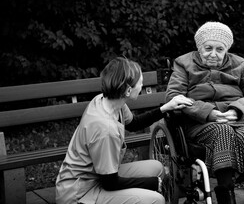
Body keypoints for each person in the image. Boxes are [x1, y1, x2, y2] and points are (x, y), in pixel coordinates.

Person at [166, 22, 244, 204]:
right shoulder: (184, 64)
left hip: (239, 121)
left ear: (227, 49)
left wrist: (237, 110)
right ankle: (226, 194)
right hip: (201, 123)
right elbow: (174, 96)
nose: (213, 54)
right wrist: (209, 112)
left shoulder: (239, 65)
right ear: (199, 47)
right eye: (208, 48)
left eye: (220, 49)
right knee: (222, 131)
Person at [55, 57, 193, 204]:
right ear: (128, 90)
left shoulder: (109, 101)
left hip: (95, 176)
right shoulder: (105, 129)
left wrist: (166, 107)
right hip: (80, 193)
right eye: (140, 82)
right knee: (156, 200)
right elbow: (110, 183)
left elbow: (134, 123)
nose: (142, 84)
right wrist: (150, 183)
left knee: (156, 167)